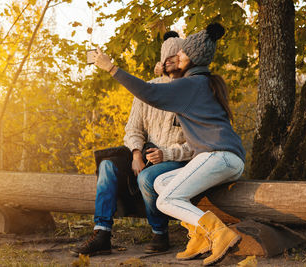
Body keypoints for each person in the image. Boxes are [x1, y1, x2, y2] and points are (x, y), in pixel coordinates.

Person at [93, 23, 246, 266]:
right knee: (161, 182)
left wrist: (111, 68)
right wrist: (165, 72)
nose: (178, 56)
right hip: (223, 158)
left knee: (165, 201)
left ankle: (219, 233)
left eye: (182, 53)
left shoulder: (190, 85)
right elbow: (159, 88)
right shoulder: (203, 82)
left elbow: (149, 92)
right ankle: (200, 236)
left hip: (218, 156)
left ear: (193, 58)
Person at [70, 31, 193, 257]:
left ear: (185, 58)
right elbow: (133, 129)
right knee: (107, 165)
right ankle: (102, 234)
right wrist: (136, 154)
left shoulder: (192, 92)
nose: (171, 61)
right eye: (167, 56)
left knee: (149, 176)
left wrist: (166, 154)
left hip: (177, 159)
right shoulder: (148, 87)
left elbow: (195, 146)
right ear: (162, 60)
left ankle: (159, 232)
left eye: (176, 56)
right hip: (146, 153)